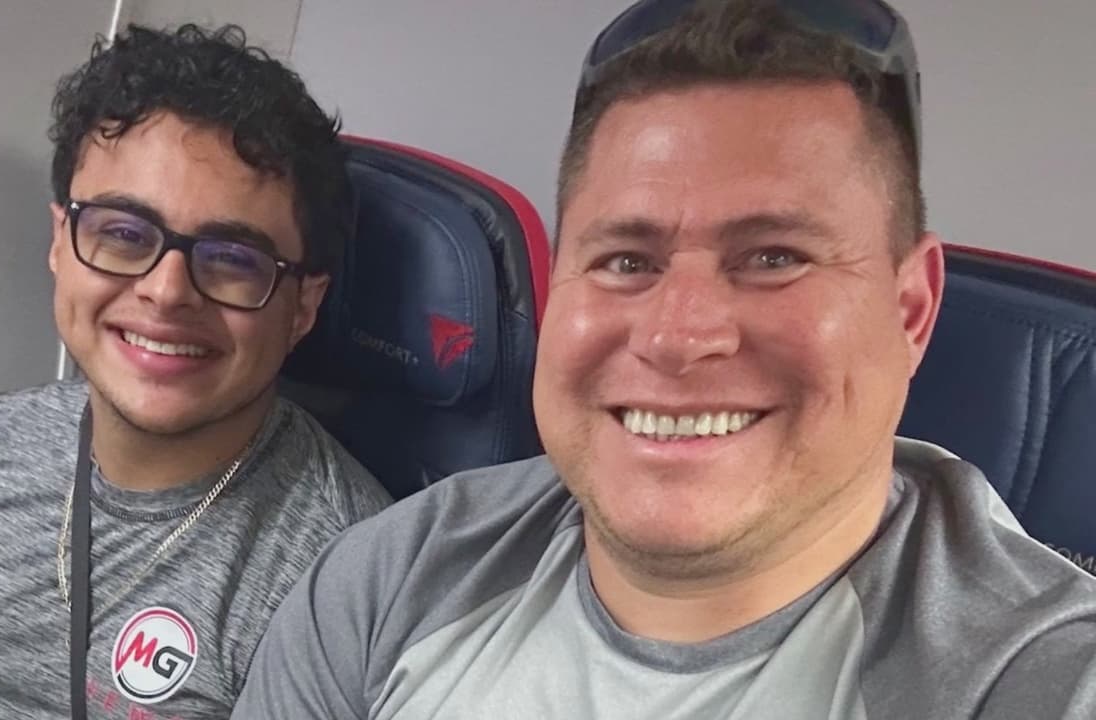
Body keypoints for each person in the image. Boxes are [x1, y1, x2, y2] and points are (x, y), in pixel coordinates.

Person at [232, 1, 1096, 718]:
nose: (676, 337)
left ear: (910, 310)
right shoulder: (389, 579)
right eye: (626, 260)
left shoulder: (1035, 677)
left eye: (775, 257)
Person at [0, 22, 392, 720]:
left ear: (303, 307)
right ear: (60, 243)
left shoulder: (345, 577)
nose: (166, 291)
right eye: (125, 234)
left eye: (232, 258)